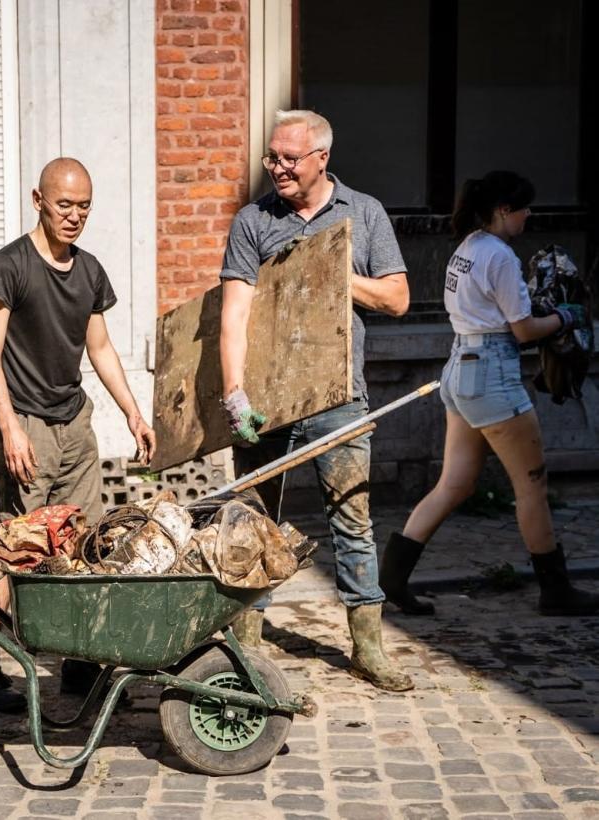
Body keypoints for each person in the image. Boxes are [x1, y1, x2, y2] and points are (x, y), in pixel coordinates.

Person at [219, 109, 413, 691]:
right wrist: (234, 392)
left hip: (340, 398)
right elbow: (234, 311)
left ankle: (367, 647)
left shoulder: (365, 213)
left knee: (352, 522)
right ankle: (247, 645)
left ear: (321, 158)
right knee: (254, 522)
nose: (276, 167)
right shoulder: (253, 221)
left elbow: (398, 298)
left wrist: (328, 269)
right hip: (267, 401)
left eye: (288, 158)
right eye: (271, 157)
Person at [0, 157, 157, 712]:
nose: (74, 216)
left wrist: (133, 413)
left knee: (82, 544)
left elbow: (99, 349)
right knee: (18, 549)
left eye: (84, 206)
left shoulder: (90, 271)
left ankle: (78, 663)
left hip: (74, 425)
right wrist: (9, 429)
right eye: (64, 204)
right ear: (39, 200)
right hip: (24, 424)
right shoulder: (10, 266)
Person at [381, 171, 599, 618]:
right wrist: (565, 317)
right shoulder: (499, 256)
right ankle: (555, 590)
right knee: (532, 486)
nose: (528, 216)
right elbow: (522, 331)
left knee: (455, 484)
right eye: (522, 208)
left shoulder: (467, 248)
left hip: (460, 371)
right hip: (494, 375)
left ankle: (393, 578)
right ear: (503, 210)